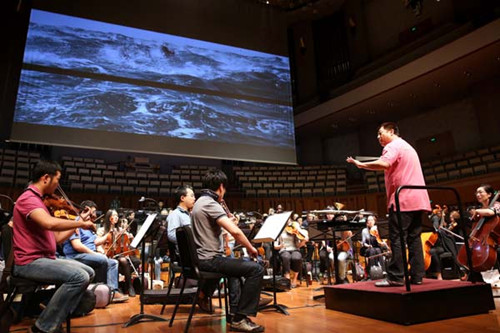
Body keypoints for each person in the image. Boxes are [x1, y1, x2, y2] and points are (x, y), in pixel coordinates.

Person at [12, 160, 96, 333]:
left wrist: (77, 222)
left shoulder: (42, 202)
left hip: (45, 259)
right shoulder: (28, 199)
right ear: (45, 178)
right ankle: (43, 327)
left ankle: (40, 306)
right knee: (79, 277)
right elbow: (48, 223)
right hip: (29, 262)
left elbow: (57, 238)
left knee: (89, 272)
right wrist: (80, 225)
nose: (58, 186)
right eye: (57, 180)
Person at [347, 122, 431, 287]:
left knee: (397, 239)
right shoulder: (407, 146)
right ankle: (417, 276)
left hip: (403, 199)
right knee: (414, 238)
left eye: (380, 133)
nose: (378, 137)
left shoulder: (393, 145)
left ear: (391, 131)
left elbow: (384, 163)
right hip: (419, 199)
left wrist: (361, 165)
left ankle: (396, 277)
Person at [191, 169, 265, 332]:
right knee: (256, 269)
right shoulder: (211, 203)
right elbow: (236, 232)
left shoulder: (199, 202)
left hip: (202, 259)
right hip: (210, 259)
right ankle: (240, 318)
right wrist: (251, 249)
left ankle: (234, 314)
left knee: (235, 270)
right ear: (221, 187)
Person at [63, 200, 128, 302]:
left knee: (113, 262)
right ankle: (100, 291)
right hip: (77, 255)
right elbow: (77, 246)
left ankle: (111, 291)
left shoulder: (88, 226)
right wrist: (95, 254)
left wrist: (109, 234)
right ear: (85, 211)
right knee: (102, 259)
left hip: (87, 254)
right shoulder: (75, 223)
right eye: (92, 212)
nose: (94, 215)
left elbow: (96, 242)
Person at [101, 209, 140, 296]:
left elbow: (126, 241)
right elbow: (99, 244)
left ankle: (124, 285)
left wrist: (129, 236)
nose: (116, 217)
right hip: (109, 254)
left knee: (136, 261)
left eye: (117, 216)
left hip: (119, 253)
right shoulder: (102, 230)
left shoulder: (119, 229)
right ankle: (129, 286)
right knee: (123, 261)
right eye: (114, 215)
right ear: (109, 217)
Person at [274, 219, 308, 288]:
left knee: (297, 258)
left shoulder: (294, 230)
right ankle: (287, 277)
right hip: (284, 249)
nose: (289, 222)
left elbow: (298, 245)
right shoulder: (279, 231)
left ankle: (295, 279)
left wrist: (303, 242)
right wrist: (280, 246)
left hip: (294, 249)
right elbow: (275, 246)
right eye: (287, 221)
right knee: (286, 257)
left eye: (290, 221)